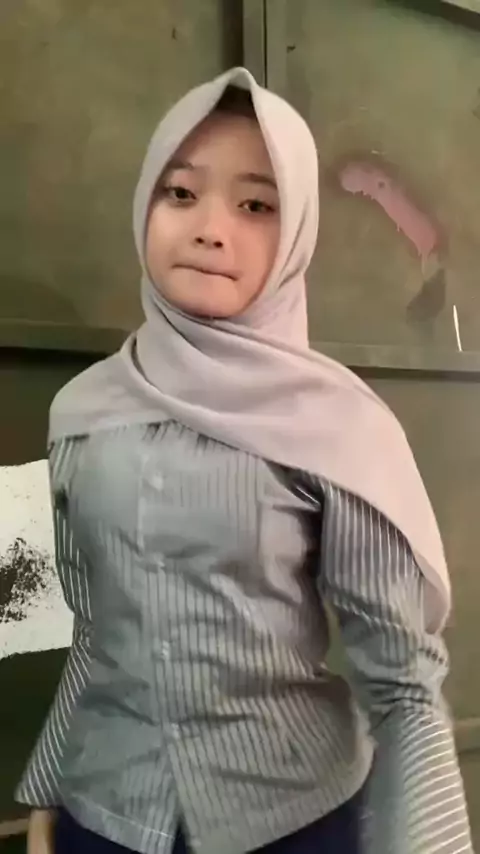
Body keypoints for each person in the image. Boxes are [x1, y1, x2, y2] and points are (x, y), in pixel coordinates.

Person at [18, 67, 472, 854]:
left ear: (296, 233)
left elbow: (404, 689)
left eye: (256, 205)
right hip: (104, 822)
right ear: (146, 204)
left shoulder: (339, 428)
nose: (209, 228)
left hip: (296, 825)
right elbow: (91, 633)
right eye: (181, 193)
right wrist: (46, 793)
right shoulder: (79, 414)